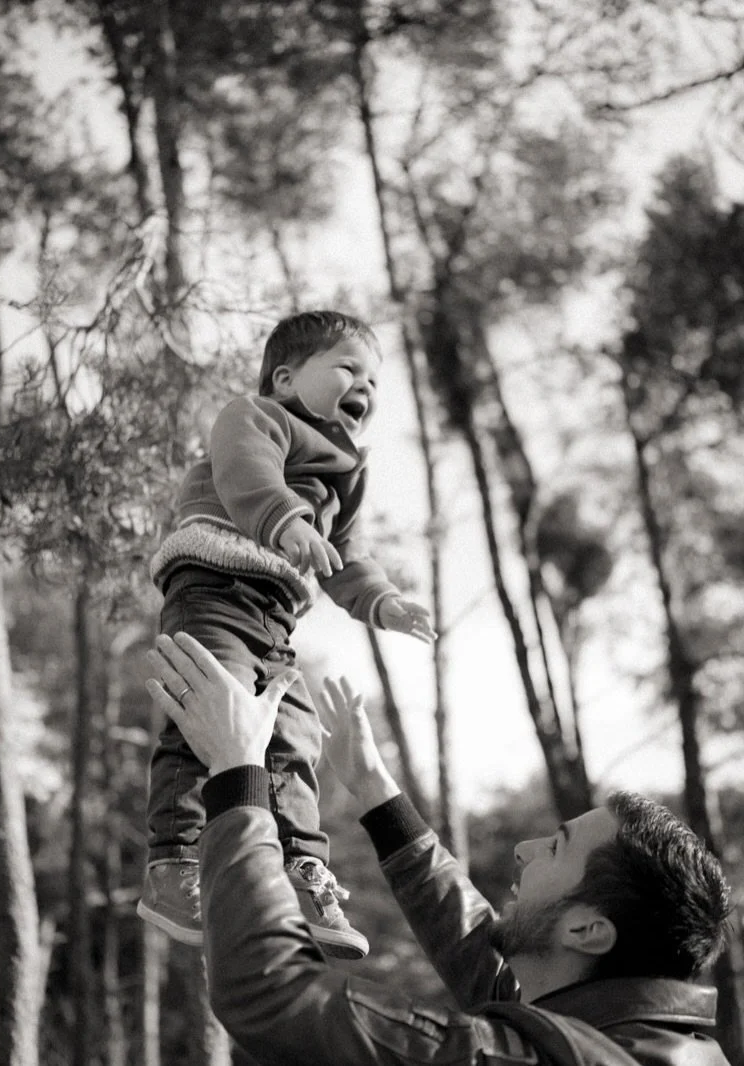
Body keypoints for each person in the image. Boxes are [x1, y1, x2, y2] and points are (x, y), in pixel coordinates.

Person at [145, 631, 732, 1066]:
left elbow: (268, 992)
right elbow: (482, 953)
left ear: (587, 931)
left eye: (557, 848)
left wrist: (238, 770)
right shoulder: (633, 1036)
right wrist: (378, 794)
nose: (525, 849)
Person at [138, 311, 435, 960]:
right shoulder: (257, 415)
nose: (367, 387)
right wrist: (284, 520)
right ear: (285, 377)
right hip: (212, 586)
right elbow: (245, 469)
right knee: (205, 715)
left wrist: (382, 602)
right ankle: (175, 862)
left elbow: (348, 555)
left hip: (274, 619)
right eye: (349, 369)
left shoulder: (347, 469)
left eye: (376, 380)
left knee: (294, 740)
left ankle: (302, 872)